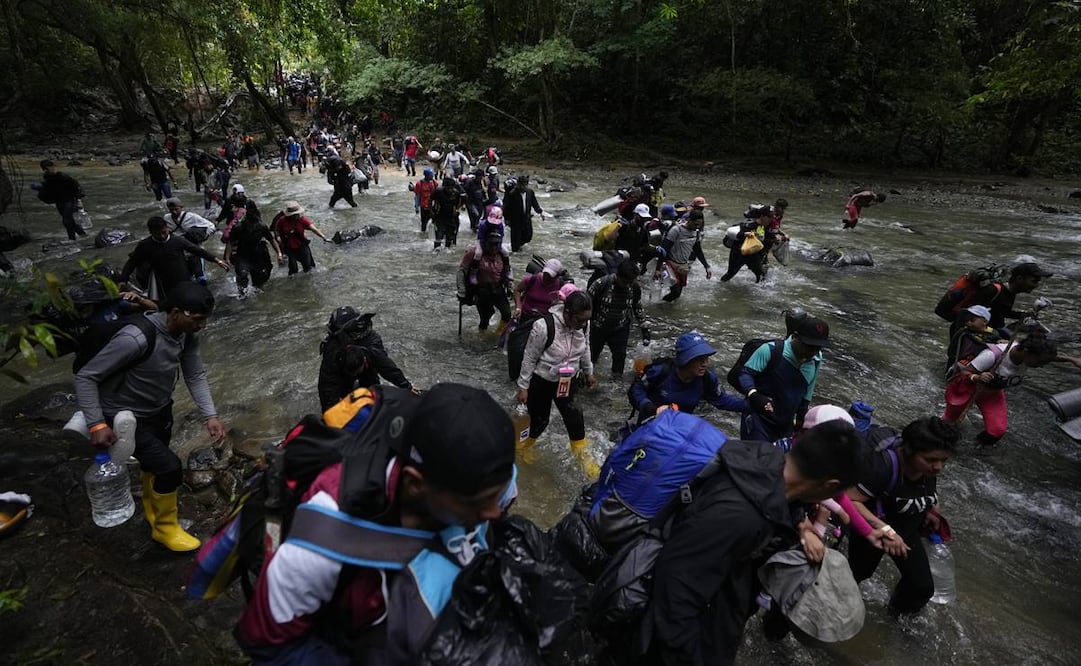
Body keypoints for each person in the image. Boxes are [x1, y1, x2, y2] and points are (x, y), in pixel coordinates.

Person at [235, 383, 518, 664]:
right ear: (415, 484)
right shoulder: (321, 541)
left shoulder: (488, 480)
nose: (495, 511)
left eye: (499, 495)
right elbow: (267, 643)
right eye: (478, 503)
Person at [640, 420, 864, 664]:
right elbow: (674, 595)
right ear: (829, 485)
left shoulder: (765, 461)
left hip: (719, 601)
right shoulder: (739, 515)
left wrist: (803, 525)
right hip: (676, 637)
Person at [74, 283, 227, 552]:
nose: (203, 325)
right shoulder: (136, 338)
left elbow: (194, 374)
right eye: (199, 319)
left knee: (152, 466)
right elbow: (87, 376)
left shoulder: (186, 334)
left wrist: (210, 415)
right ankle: (165, 529)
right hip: (124, 416)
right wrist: (96, 423)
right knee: (169, 467)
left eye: (205, 319)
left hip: (159, 409)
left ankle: (153, 514)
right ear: (177, 312)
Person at [845, 416, 959, 614]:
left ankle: (895, 618)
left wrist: (932, 507)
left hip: (907, 530)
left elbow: (926, 486)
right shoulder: (883, 467)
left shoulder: (927, 470)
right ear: (909, 451)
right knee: (854, 578)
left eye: (944, 460)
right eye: (931, 460)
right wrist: (885, 530)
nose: (938, 467)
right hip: (873, 533)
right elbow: (850, 500)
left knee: (921, 588)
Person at [942, 330, 1081, 450]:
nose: (1041, 366)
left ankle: (975, 450)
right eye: (1040, 362)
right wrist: (977, 377)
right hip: (966, 388)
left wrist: (1072, 359)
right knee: (948, 425)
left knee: (997, 431)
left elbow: (1051, 357)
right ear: (1026, 352)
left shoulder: (1032, 354)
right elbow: (964, 372)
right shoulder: (992, 355)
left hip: (992, 393)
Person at [516, 288, 597, 476]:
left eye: (586, 320)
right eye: (580, 320)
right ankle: (523, 447)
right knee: (540, 421)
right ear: (567, 313)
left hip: (568, 380)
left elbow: (585, 348)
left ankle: (583, 459)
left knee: (576, 420)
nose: (583, 324)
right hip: (542, 381)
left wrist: (589, 372)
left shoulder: (583, 325)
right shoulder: (543, 326)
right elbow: (529, 357)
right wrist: (523, 387)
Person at [736, 315, 829, 441]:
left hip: (786, 425)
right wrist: (754, 394)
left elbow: (808, 391)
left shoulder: (816, 359)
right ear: (795, 337)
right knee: (757, 458)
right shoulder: (771, 350)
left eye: (817, 347)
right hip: (759, 419)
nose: (812, 351)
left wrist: (802, 417)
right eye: (808, 346)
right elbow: (744, 374)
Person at [628, 331, 746, 425]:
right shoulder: (660, 371)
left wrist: (757, 405)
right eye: (699, 359)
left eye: (706, 358)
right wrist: (650, 407)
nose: (705, 363)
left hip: (680, 429)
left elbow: (723, 400)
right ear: (685, 360)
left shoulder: (707, 379)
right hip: (649, 425)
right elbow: (635, 390)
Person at [316, 307, 418, 411]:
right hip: (344, 364)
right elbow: (327, 385)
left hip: (366, 364)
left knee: (373, 391)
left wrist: (407, 386)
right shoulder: (333, 350)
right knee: (343, 396)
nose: (355, 374)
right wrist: (329, 414)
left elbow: (387, 367)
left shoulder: (372, 345)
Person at [120, 216, 229, 298]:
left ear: (167, 228)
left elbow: (197, 250)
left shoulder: (177, 241)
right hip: (161, 280)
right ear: (151, 232)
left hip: (182, 276)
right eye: (158, 234)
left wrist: (216, 260)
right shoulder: (145, 245)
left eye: (164, 232)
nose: (162, 236)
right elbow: (132, 262)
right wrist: (123, 280)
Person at [949, 261, 1054, 340]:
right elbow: (967, 313)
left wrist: (1024, 315)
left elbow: (1001, 311)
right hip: (968, 335)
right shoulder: (993, 290)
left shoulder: (1010, 292)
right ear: (1019, 279)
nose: (1036, 285)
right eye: (1034, 281)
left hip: (987, 332)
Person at [587, 259, 649, 376]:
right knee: (591, 356)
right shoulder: (601, 284)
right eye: (626, 281)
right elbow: (586, 304)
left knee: (620, 356)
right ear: (618, 276)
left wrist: (644, 326)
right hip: (598, 327)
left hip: (620, 327)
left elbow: (637, 305)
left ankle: (616, 382)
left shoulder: (634, 287)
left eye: (632, 281)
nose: (629, 284)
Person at [507, 258, 565, 380]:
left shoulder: (560, 285)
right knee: (517, 347)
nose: (547, 277)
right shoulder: (532, 280)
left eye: (551, 276)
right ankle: (515, 376)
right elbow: (517, 290)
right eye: (546, 274)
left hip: (546, 321)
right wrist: (518, 307)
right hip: (527, 317)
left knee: (542, 352)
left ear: (557, 276)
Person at [225, 201, 283, 298]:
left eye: (253, 211)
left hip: (257, 254)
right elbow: (230, 242)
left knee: (260, 280)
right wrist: (227, 258)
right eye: (249, 211)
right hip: (242, 254)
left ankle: (258, 298)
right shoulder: (239, 226)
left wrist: (279, 253)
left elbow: (271, 240)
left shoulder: (261, 226)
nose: (252, 213)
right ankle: (242, 297)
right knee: (242, 276)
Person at [457, 231, 512, 331]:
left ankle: (499, 335)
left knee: (507, 313)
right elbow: (461, 271)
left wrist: (509, 285)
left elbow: (508, 269)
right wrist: (461, 290)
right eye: (491, 244)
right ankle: (482, 335)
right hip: (481, 290)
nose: (494, 248)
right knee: (485, 318)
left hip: (497, 288)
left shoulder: (503, 254)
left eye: (496, 244)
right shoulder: (474, 253)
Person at [655, 209, 712, 302]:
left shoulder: (696, 232)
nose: (697, 226)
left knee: (678, 295)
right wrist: (658, 268)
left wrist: (706, 266)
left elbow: (698, 250)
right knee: (675, 292)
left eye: (700, 224)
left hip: (683, 265)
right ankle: (659, 306)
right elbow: (664, 249)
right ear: (689, 220)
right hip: (670, 264)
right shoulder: (676, 230)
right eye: (696, 224)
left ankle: (665, 308)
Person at [165, 198, 218, 284]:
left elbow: (211, 226)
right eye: (171, 210)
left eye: (176, 209)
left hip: (195, 251)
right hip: (179, 252)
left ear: (181, 207)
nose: (174, 212)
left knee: (201, 279)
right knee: (185, 279)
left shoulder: (192, 217)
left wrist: (204, 236)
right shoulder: (166, 218)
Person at [271, 201, 329, 276]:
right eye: (294, 214)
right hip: (289, 247)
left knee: (308, 268)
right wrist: (278, 238)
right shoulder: (282, 220)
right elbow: (276, 230)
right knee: (293, 269)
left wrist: (323, 237)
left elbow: (314, 229)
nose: (297, 215)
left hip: (302, 245)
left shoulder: (303, 220)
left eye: (297, 214)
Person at [35, 159, 86, 240]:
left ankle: (72, 239)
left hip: (70, 200)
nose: (51, 169)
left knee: (66, 220)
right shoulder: (47, 178)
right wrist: (41, 189)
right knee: (68, 221)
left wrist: (79, 200)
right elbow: (48, 190)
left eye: (51, 167)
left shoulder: (63, 176)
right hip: (59, 201)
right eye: (46, 169)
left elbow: (76, 187)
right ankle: (82, 234)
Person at [944, 304, 1001, 373]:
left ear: (985, 322)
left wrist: (999, 341)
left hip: (982, 362)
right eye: (967, 320)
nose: (968, 322)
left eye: (972, 320)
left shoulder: (993, 334)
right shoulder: (963, 332)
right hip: (964, 360)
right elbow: (952, 350)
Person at [720, 210, 768, 283]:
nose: (771, 220)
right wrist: (745, 234)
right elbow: (739, 235)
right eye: (769, 217)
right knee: (730, 274)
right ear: (762, 217)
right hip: (738, 253)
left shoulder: (762, 226)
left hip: (752, 253)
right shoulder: (749, 225)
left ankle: (761, 292)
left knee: (760, 275)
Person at [503, 175, 544, 253]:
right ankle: (515, 254)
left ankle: (519, 244)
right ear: (518, 184)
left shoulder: (530, 192)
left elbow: (534, 203)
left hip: (527, 218)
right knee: (515, 239)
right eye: (521, 185)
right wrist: (506, 219)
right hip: (515, 219)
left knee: (528, 236)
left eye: (525, 185)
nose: (523, 187)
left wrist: (540, 212)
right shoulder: (512, 194)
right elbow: (507, 207)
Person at [432, 176, 463, 251]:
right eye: (448, 188)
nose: (450, 190)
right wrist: (431, 211)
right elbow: (430, 200)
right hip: (439, 216)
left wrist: (457, 209)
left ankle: (448, 248)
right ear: (444, 187)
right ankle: (436, 250)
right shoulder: (438, 191)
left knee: (450, 234)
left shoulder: (456, 193)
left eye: (451, 188)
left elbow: (460, 202)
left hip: (451, 216)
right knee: (439, 234)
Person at [413, 167, 438, 235]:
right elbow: (417, 196)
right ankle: (423, 235)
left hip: (433, 207)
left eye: (432, 174)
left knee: (435, 223)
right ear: (426, 175)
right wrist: (416, 207)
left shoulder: (434, 183)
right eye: (431, 175)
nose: (432, 176)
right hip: (424, 207)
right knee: (424, 224)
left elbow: (438, 195)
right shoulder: (419, 183)